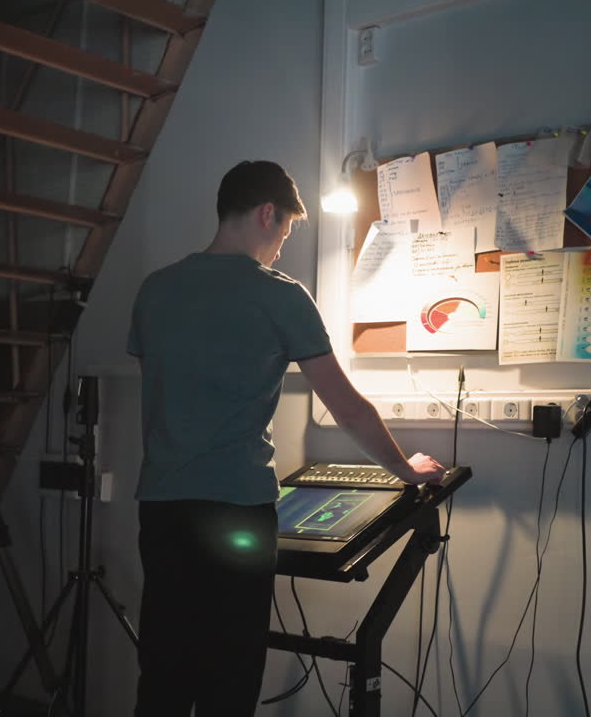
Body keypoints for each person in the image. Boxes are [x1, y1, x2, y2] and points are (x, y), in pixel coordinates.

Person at [127, 160, 445, 716]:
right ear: (266, 213)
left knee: (164, 670)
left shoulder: (155, 291)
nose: (280, 247)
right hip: (235, 512)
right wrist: (405, 470)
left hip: (161, 509)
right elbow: (346, 408)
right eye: (285, 232)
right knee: (230, 675)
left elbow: (162, 397)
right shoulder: (279, 295)